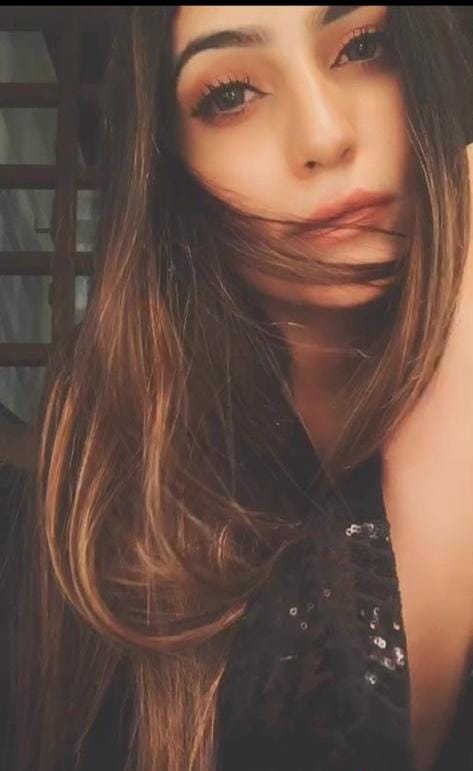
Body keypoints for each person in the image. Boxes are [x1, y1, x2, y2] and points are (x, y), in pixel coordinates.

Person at [2, 5, 473, 771]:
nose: (323, 135)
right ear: (170, 165)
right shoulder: (108, 479)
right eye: (229, 95)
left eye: (362, 46)